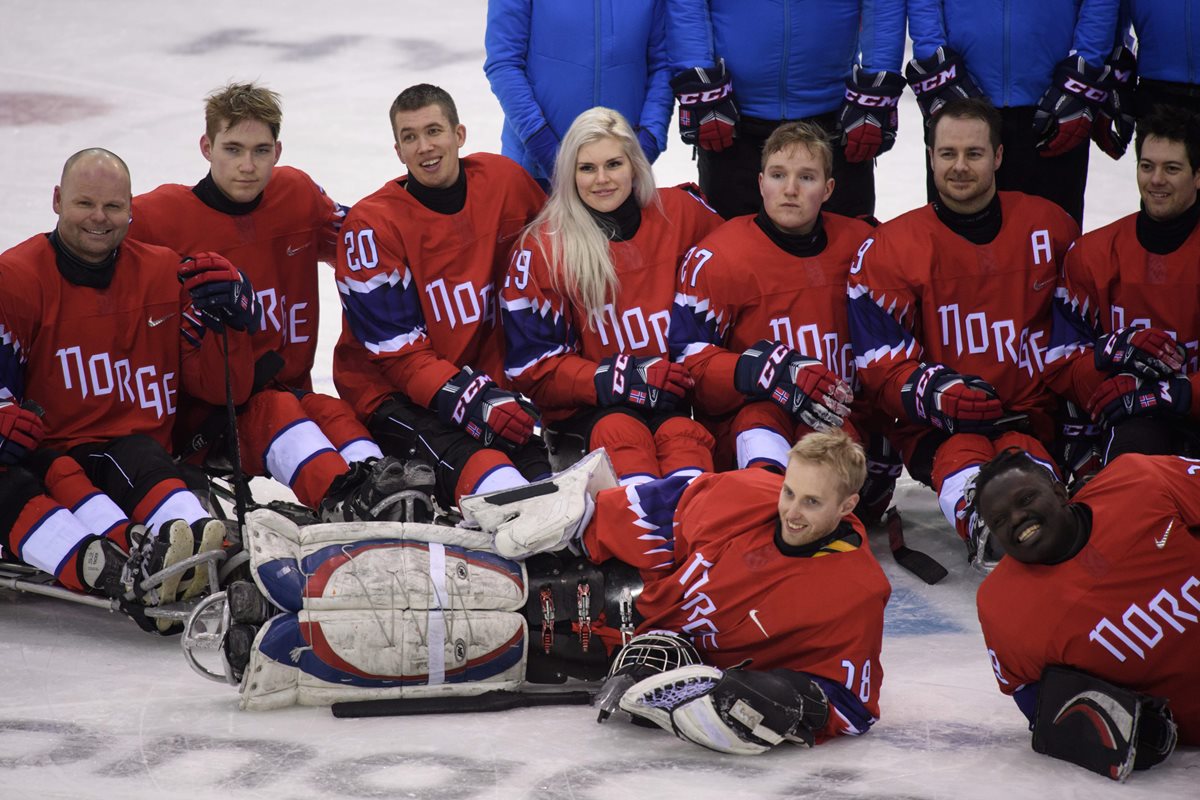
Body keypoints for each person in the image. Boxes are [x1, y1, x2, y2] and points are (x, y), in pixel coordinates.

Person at [208, 429, 890, 756]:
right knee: (485, 574)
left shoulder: (857, 593)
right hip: (619, 586)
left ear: (850, 504)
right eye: (790, 492)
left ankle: (280, 654)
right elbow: (659, 507)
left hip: (659, 658)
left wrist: (799, 704)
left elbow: (853, 700)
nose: (791, 511)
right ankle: (292, 564)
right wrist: (584, 519)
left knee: (488, 637)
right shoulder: (752, 494)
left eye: (811, 503)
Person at [131, 82, 420, 525]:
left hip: (290, 391)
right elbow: (83, 253)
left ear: (278, 150)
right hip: (205, 420)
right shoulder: (158, 216)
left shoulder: (297, 195)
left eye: (261, 150)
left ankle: (389, 490)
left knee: (331, 409)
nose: (247, 166)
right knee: (281, 408)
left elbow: (366, 243)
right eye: (233, 149)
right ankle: (345, 505)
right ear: (206, 147)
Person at [0, 148, 260, 630]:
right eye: (85, 204)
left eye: (114, 207)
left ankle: (198, 539)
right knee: (45, 472)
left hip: (142, 459)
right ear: (57, 200)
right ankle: (119, 562)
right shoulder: (14, 279)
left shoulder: (165, 272)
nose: (99, 218)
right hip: (51, 461)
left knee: (137, 451)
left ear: (131, 209)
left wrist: (237, 320)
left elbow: (224, 385)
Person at [847, 98, 1079, 571]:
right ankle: (985, 525)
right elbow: (879, 363)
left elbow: (1079, 329)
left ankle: (1052, 521)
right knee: (962, 452)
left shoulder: (1049, 226)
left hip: (1030, 414)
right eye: (946, 153)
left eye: (973, 153)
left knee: (1028, 459)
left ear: (997, 156)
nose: (959, 166)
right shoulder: (891, 247)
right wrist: (933, 392)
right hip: (941, 424)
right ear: (930, 156)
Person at [332, 83, 551, 512]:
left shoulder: (505, 182)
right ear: (397, 150)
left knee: (536, 458)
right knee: (478, 461)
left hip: (480, 381)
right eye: (410, 137)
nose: (424, 147)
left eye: (434, 131)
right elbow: (396, 355)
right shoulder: (372, 226)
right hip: (390, 393)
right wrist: (472, 398)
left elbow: (553, 267)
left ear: (459, 134)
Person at [667, 120, 901, 520]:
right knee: (759, 417)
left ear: (828, 189)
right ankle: (764, 508)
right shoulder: (719, 257)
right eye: (778, 175)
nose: (790, 189)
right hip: (750, 422)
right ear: (761, 183)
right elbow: (690, 365)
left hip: (838, 420)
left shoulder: (864, 245)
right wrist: (756, 369)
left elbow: (896, 340)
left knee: (828, 439)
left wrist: (888, 430)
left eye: (806, 177)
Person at [501, 107, 721, 484]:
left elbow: (743, 274)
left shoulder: (682, 213)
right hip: (594, 413)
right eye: (587, 168)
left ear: (635, 164)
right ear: (569, 173)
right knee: (624, 435)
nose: (601, 179)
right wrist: (617, 379)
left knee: (684, 448)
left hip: (676, 405)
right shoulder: (543, 247)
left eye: (613, 164)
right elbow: (532, 367)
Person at [973, 448, 1195, 776]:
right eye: (1000, 520)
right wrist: (1105, 731)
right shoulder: (1002, 609)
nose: (1017, 519)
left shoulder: (1141, 481)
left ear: (1060, 491)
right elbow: (1033, 698)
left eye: (1026, 499)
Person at [1045, 107, 1200, 467]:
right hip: (1134, 423)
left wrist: (1165, 393)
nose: (1155, 179)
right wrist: (1111, 352)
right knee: (1133, 464)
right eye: (1147, 166)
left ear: (1197, 176)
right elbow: (1060, 370)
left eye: (1171, 168)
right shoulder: (1092, 254)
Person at [665, 0, 908, 220]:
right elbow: (687, 6)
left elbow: (883, 6)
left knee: (844, 253)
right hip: (731, 120)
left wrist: (878, 82)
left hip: (836, 119)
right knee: (729, 256)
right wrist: (698, 76)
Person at [906, 0, 1120, 225]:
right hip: (961, 96)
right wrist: (933, 57)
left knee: (1052, 241)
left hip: (1054, 104)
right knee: (954, 248)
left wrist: (1087, 61)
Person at [483, 0, 673, 189]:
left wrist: (648, 141)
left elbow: (662, 65)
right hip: (536, 170)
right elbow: (503, 63)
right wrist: (544, 147)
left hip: (619, 171)